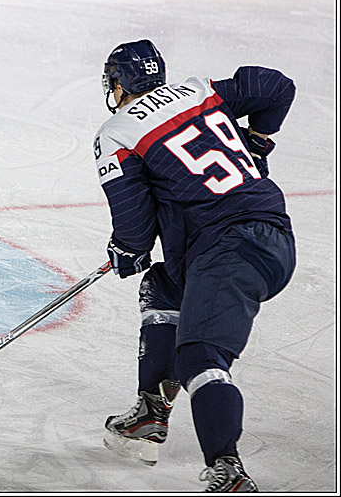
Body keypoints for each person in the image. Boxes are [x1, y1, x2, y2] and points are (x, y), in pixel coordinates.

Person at [94, 39, 296, 491]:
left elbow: (132, 222)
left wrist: (127, 249)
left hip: (229, 249)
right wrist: (259, 139)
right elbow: (278, 86)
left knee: (200, 357)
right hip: (272, 236)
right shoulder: (198, 90)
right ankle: (151, 412)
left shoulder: (118, 131)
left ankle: (227, 469)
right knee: (163, 287)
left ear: (120, 82)